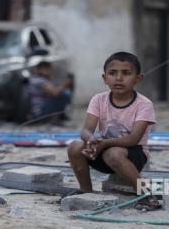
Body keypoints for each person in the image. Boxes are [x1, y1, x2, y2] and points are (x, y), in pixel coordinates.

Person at [67, 52, 159, 210]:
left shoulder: (144, 104)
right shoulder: (98, 99)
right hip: (102, 151)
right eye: (112, 73)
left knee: (114, 153)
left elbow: (133, 139)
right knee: (75, 146)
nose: (118, 78)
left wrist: (103, 144)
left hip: (133, 155)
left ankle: (146, 194)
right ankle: (85, 190)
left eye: (126, 73)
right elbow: (86, 130)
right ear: (104, 78)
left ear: (138, 79)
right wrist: (91, 140)